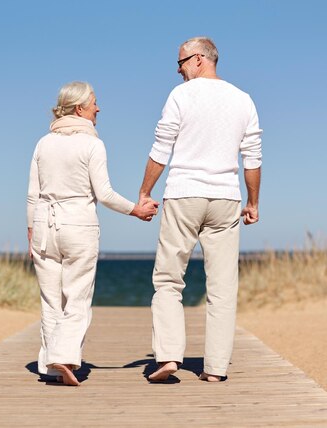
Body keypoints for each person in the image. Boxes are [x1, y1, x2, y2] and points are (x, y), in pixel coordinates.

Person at [138, 37, 262, 382]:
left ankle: (167, 356)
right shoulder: (243, 99)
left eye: (180, 62)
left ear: (198, 60)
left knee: (167, 279)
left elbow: (161, 147)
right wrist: (253, 201)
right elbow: (252, 157)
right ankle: (216, 369)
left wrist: (145, 191)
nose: (177, 70)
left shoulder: (181, 96)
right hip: (226, 198)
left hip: (184, 194)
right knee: (223, 287)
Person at [27, 81, 158, 386]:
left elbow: (33, 195)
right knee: (77, 298)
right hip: (79, 227)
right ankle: (64, 356)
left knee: (50, 301)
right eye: (94, 103)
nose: (98, 108)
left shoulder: (43, 143)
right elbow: (105, 194)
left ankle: (49, 366)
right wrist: (136, 211)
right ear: (79, 108)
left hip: (44, 226)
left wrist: (31, 232)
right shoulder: (92, 144)